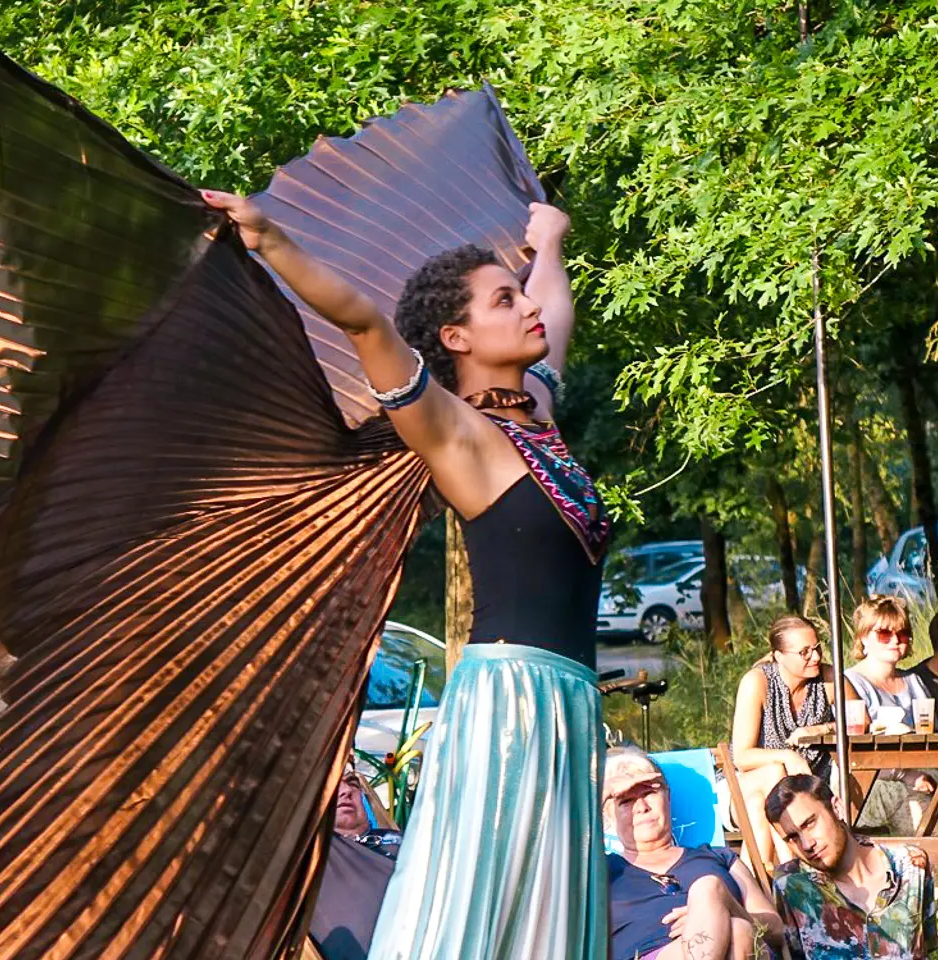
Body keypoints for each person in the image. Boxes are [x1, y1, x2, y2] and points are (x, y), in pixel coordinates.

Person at [202, 190, 610, 960]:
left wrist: (551, 240)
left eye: (520, 294)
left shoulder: (537, 413)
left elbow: (556, 313)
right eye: (505, 300)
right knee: (476, 912)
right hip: (511, 704)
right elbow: (364, 322)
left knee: (547, 921)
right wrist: (272, 239)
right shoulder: (459, 435)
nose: (528, 307)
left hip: (569, 702)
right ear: (456, 336)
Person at [604, 747, 781, 960]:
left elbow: (777, 930)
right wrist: (604, 791)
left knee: (733, 922)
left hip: (742, 946)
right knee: (718, 899)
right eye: (625, 801)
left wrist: (722, 907)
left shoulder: (719, 857)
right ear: (607, 816)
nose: (641, 807)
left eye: (649, 792)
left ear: (667, 796)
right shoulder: (600, 870)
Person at [766, 774, 937, 959]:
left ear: (837, 808)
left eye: (809, 823)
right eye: (793, 838)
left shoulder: (911, 866)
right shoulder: (790, 885)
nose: (807, 844)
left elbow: (925, 948)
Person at [731, 615, 852, 864]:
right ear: (779, 656)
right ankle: (795, 866)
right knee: (775, 772)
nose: (815, 657)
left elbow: (861, 721)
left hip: (798, 798)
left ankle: (767, 882)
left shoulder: (828, 679)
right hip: (746, 786)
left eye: (817, 648)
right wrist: (788, 756)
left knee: (757, 810)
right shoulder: (758, 681)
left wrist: (820, 728)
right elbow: (741, 757)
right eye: (804, 652)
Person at [843, 596, 938, 833]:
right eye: (884, 633)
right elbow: (850, 751)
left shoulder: (914, 681)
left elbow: (935, 735)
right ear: (863, 637)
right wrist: (906, 774)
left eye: (903, 633)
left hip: (926, 773)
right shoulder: (849, 684)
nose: (895, 640)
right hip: (875, 782)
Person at [313, 765, 403, 960]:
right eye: (332, 783)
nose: (346, 790)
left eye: (352, 783)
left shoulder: (404, 839)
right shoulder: (316, 856)